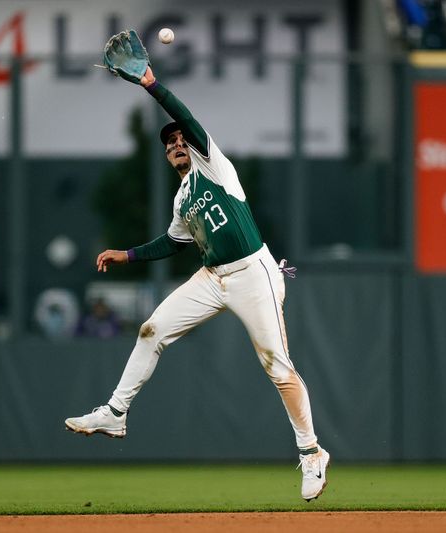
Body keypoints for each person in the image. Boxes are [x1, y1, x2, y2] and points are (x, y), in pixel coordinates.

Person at [65, 32, 329, 502]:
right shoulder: (182, 195)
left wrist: (152, 85)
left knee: (277, 366)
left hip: (254, 273)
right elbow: (171, 243)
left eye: (180, 140)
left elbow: (186, 118)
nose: (175, 144)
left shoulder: (214, 167)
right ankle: (115, 412)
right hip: (212, 278)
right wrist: (125, 254)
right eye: (169, 145)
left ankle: (311, 452)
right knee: (151, 329)